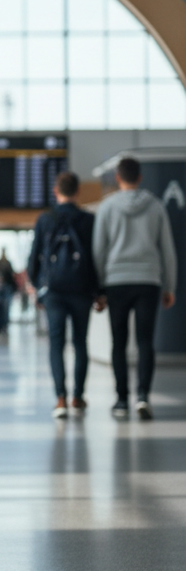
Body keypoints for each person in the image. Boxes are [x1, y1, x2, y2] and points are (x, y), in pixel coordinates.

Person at [92, 157, 178, 420]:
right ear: (139, 178)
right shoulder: (155, 206)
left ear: (118, 178)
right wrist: (169, 286)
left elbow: (99, 250)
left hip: (116, 281)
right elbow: (167, 249)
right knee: (144, 342)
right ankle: (143, 397)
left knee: (119, 343)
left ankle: (120, 400)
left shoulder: (107, 207)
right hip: (148, 281)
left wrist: (99, 287)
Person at [26, 172, 100, 419]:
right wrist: (99, 291)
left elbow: (34, 257)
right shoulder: (88, 220)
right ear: (77, 192)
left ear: (56, 192)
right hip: (81, 291)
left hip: (54, 292)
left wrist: (37, 287)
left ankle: (60, 399)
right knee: (80, 343)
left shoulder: (46, 219)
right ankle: (78, 396)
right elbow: (95, 259)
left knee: (56, 344)